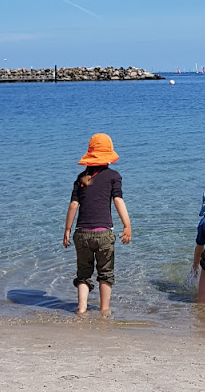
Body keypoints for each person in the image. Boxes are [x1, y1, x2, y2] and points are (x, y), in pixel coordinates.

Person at [63, 133, 132, 315]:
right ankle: (104, 310)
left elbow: (73, 205)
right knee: (105, 273)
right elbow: (118, 201)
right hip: (103, 234)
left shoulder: (81, 178)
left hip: (81, 233)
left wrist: (67, 230)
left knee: (84, 274)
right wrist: (127, 225)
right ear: (108, 155)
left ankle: (82, 308)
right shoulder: (113, 176)